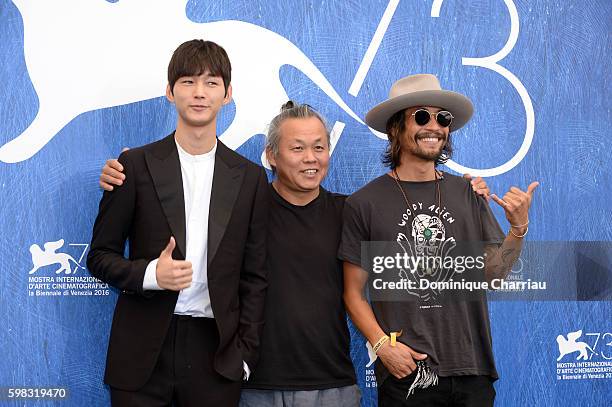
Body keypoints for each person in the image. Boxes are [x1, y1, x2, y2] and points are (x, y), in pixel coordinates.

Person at [87, 39, 268, 407]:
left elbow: (256, 277)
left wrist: (244, 355)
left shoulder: (249, 178)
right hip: (141, 354)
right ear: (170, 92)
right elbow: (100, 256)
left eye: (211, 82)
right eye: (187, 82)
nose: (199, 93)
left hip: (217, 356)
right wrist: (152, 275)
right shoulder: (134, 167)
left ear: (228, 94)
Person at [339, 74, 538, 406]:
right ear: (394, 129)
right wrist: (382, 346)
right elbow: (352, 292)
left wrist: (518, 229)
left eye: (442, 118)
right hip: (408, 375)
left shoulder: (468, 192)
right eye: (421, 116)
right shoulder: (364, 203)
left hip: (473, 372)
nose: (434, 126)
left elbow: (493, 276)